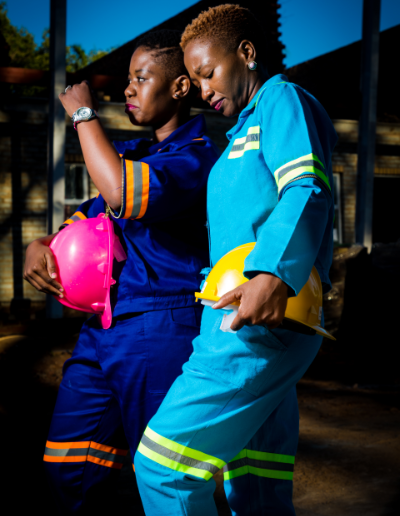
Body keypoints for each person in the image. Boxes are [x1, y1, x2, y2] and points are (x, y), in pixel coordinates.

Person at [133, 6, 337, 516]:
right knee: (255, 486)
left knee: (162, 469)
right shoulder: (239, 133)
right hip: (242, 317)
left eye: (208, 72)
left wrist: (272, 275)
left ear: (246, 53)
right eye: (196, 79)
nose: (203, 89)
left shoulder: (281, 100)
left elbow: (306, 186)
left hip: (258, 319)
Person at [23, 30, 220, 514]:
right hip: (103, 328)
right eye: (128, 79)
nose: (128, 89)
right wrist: (37, 244)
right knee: (68, 465)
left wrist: (84, 117)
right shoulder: (130, 154)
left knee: (164, 477)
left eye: (141, 78)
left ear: (180, 87)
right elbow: (82, 221)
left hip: (161, 324)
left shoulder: (197, 155)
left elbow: (120, 193)